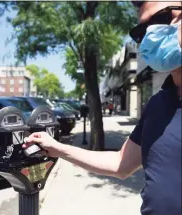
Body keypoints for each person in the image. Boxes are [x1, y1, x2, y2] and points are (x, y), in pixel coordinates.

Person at [23, 1, 181, 215]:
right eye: (141, 32)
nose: (150, 34)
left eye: (159, 19)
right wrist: (57, 148)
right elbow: (120, 164)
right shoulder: (157, 105)